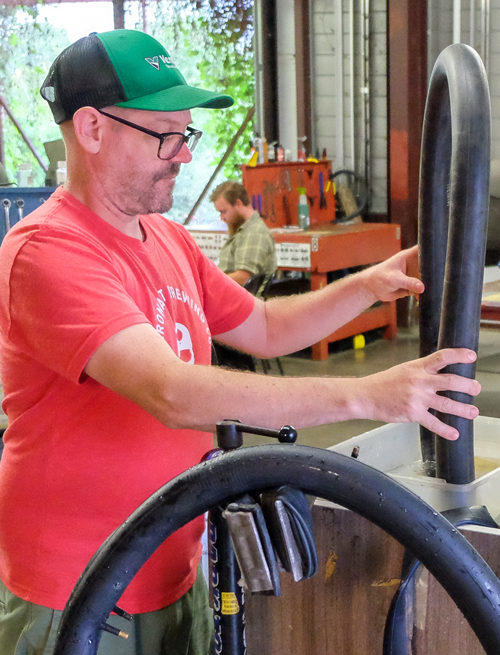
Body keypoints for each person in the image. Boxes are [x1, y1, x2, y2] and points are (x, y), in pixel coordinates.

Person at [0, 29, 480, 655]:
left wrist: (368, 284)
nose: (184, 155)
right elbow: (171, 392)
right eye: (166, 136)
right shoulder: (49, 252)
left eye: (186, 135)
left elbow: (264, 326)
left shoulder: (165, 239)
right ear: (92, 128)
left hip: (173, 562)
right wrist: (372, 395)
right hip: (77, 588)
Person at [210, 181, 277, 290]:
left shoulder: (254, 232)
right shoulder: (241, 231)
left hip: (240, 301)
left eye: (224, 211)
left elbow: (243, 277)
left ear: (238, 204)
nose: (222, 218)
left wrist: (210, 282)